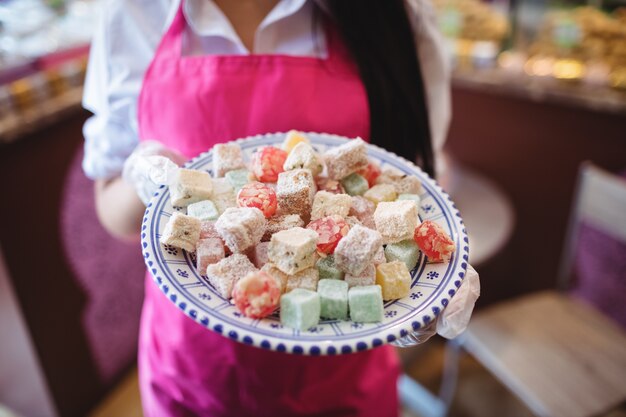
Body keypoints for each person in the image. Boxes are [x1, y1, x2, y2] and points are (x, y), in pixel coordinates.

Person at [82, 0, 480, 416]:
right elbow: (110, 207)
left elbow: (411, 177)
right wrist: (143, 175)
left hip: (344, 371)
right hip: (195, 367)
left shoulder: (395, 12)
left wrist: (430, 269)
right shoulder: (131, 10)